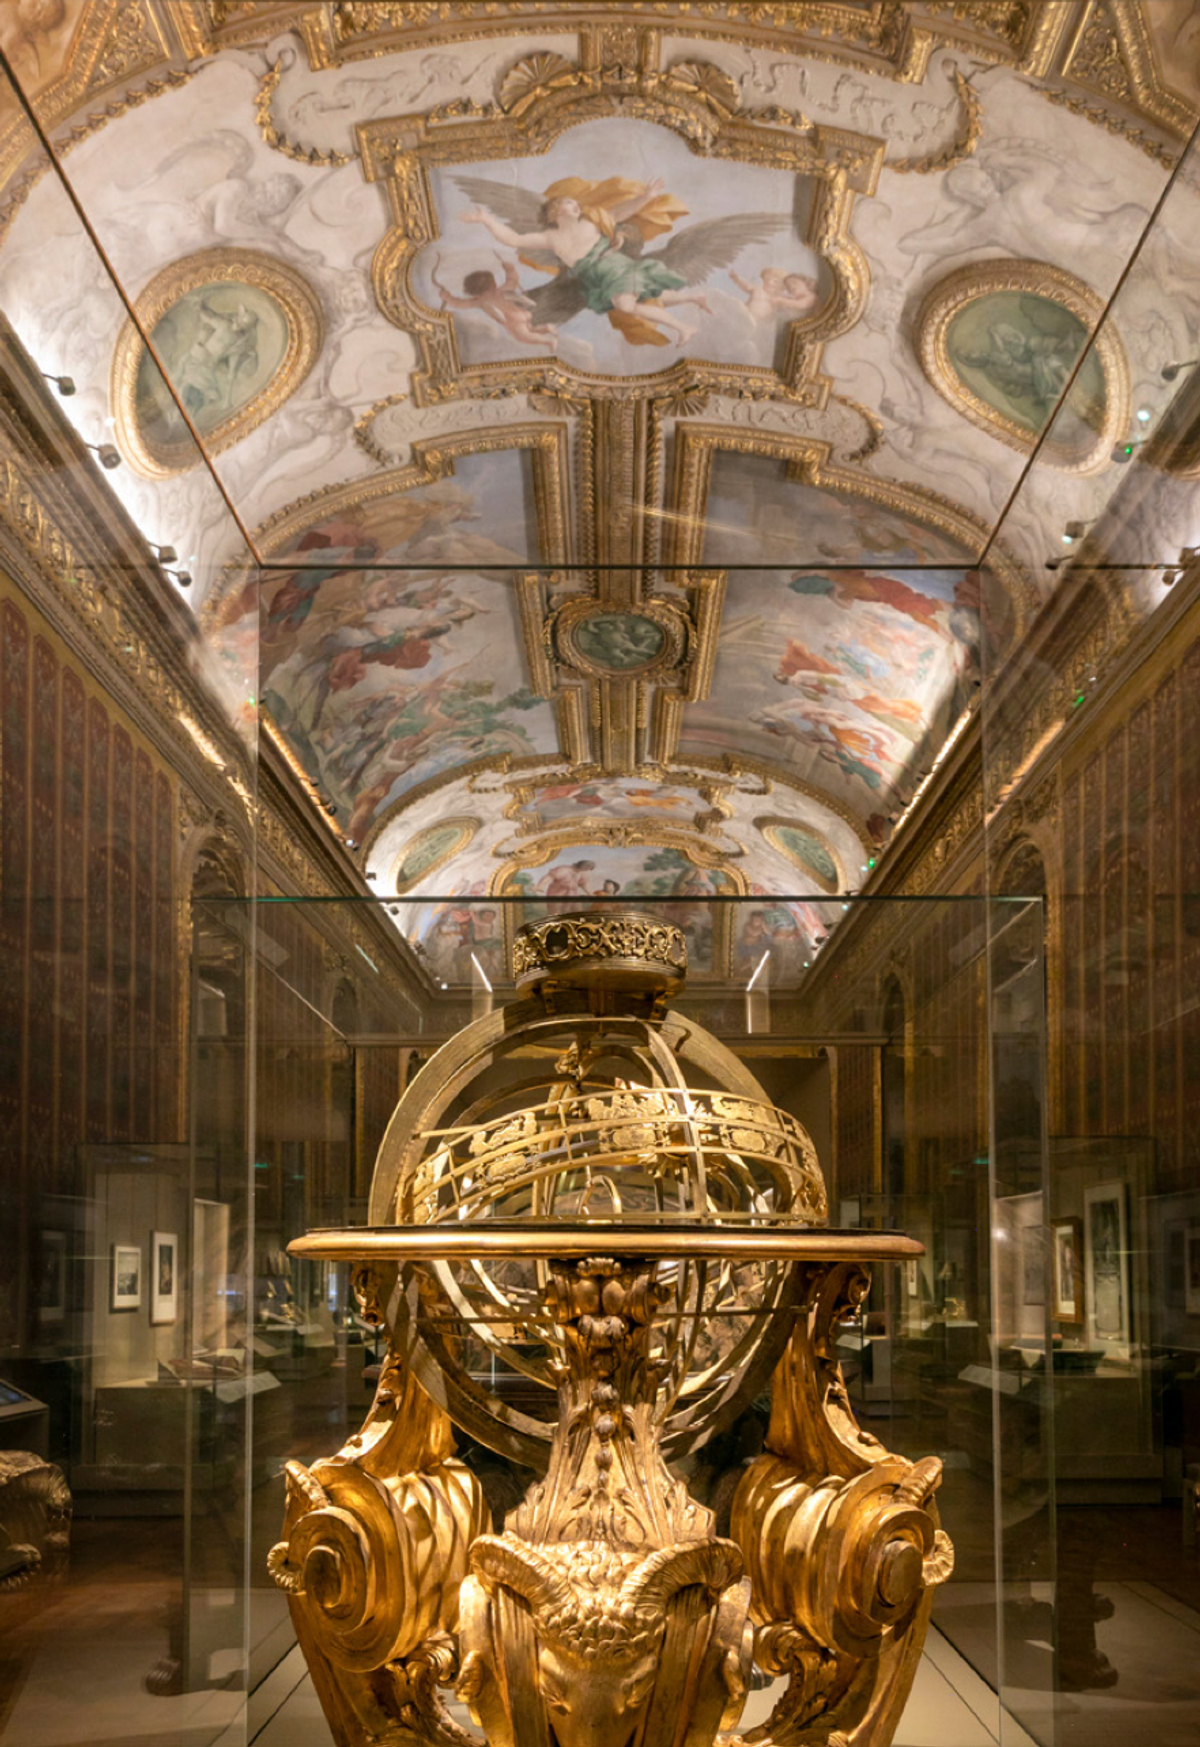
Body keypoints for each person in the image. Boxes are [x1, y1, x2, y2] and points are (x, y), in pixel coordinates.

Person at [460, 180, 711, 346]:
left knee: (624, 304)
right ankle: (695, 298)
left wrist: (646, 196)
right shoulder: (550, 237)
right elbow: (513, 237)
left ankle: (683, 327)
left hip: (613, 266)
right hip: (594, 277)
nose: (576, 205)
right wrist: (486, 221)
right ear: (556, 210)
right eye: (570, 202)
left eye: (576, 203)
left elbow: (621, 213)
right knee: (640, 299)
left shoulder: (589, 223)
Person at [431, 254, 558, 351]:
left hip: (512, 320)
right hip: (522, 313)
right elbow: (512, 280)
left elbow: (458, 304)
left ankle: (548, 342)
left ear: (472, 291)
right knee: (531, 329)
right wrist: (509, 268)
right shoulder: (502, 290)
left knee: (524, 337)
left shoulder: (479, 301)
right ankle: (547, 328)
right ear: (493, 283)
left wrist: (447, 297)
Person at [731, 265, 820, 321]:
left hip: (755, 320)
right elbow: (746, 285)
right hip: (743, 312)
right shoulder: (758, 290)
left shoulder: (782, 298)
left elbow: (797, 305)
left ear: (782, 287)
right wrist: (737, 279)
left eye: (775, 281)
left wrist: (780, 301)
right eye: (766, 279)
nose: (770, 282)